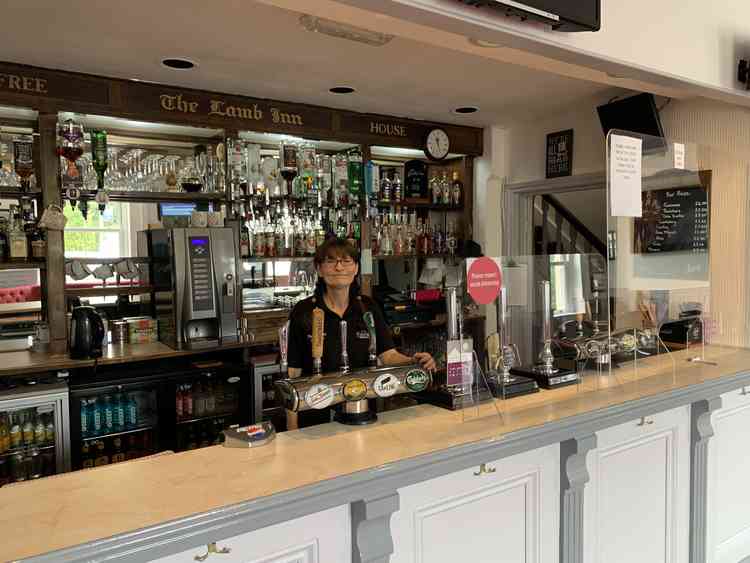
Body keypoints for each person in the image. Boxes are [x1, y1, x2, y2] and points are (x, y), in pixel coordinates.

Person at [285, 238, 436, 429]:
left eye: (346, 261)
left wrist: (414, 361)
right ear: (319, 269)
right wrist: (292, 430)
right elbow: (293, 373)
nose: (339, 267)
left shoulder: (368, 308)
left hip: (362, 412)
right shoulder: (305, 311)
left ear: (356, 268)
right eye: (331, 261)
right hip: (315, 419)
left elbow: (388, 355)